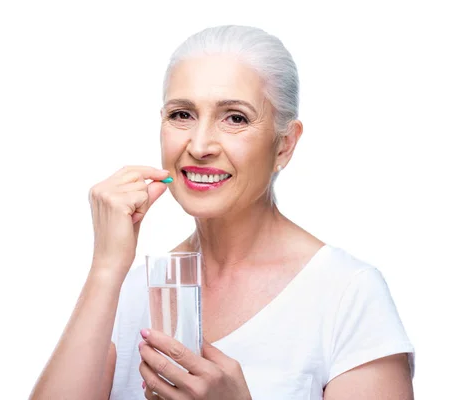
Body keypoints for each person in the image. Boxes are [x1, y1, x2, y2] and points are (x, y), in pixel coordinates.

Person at [29, 25, 415, 400]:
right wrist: (106, 267)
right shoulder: (130, 290)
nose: (199, 145)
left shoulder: (347, 294)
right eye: (182, 114)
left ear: (285, 145)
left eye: (235, 118)